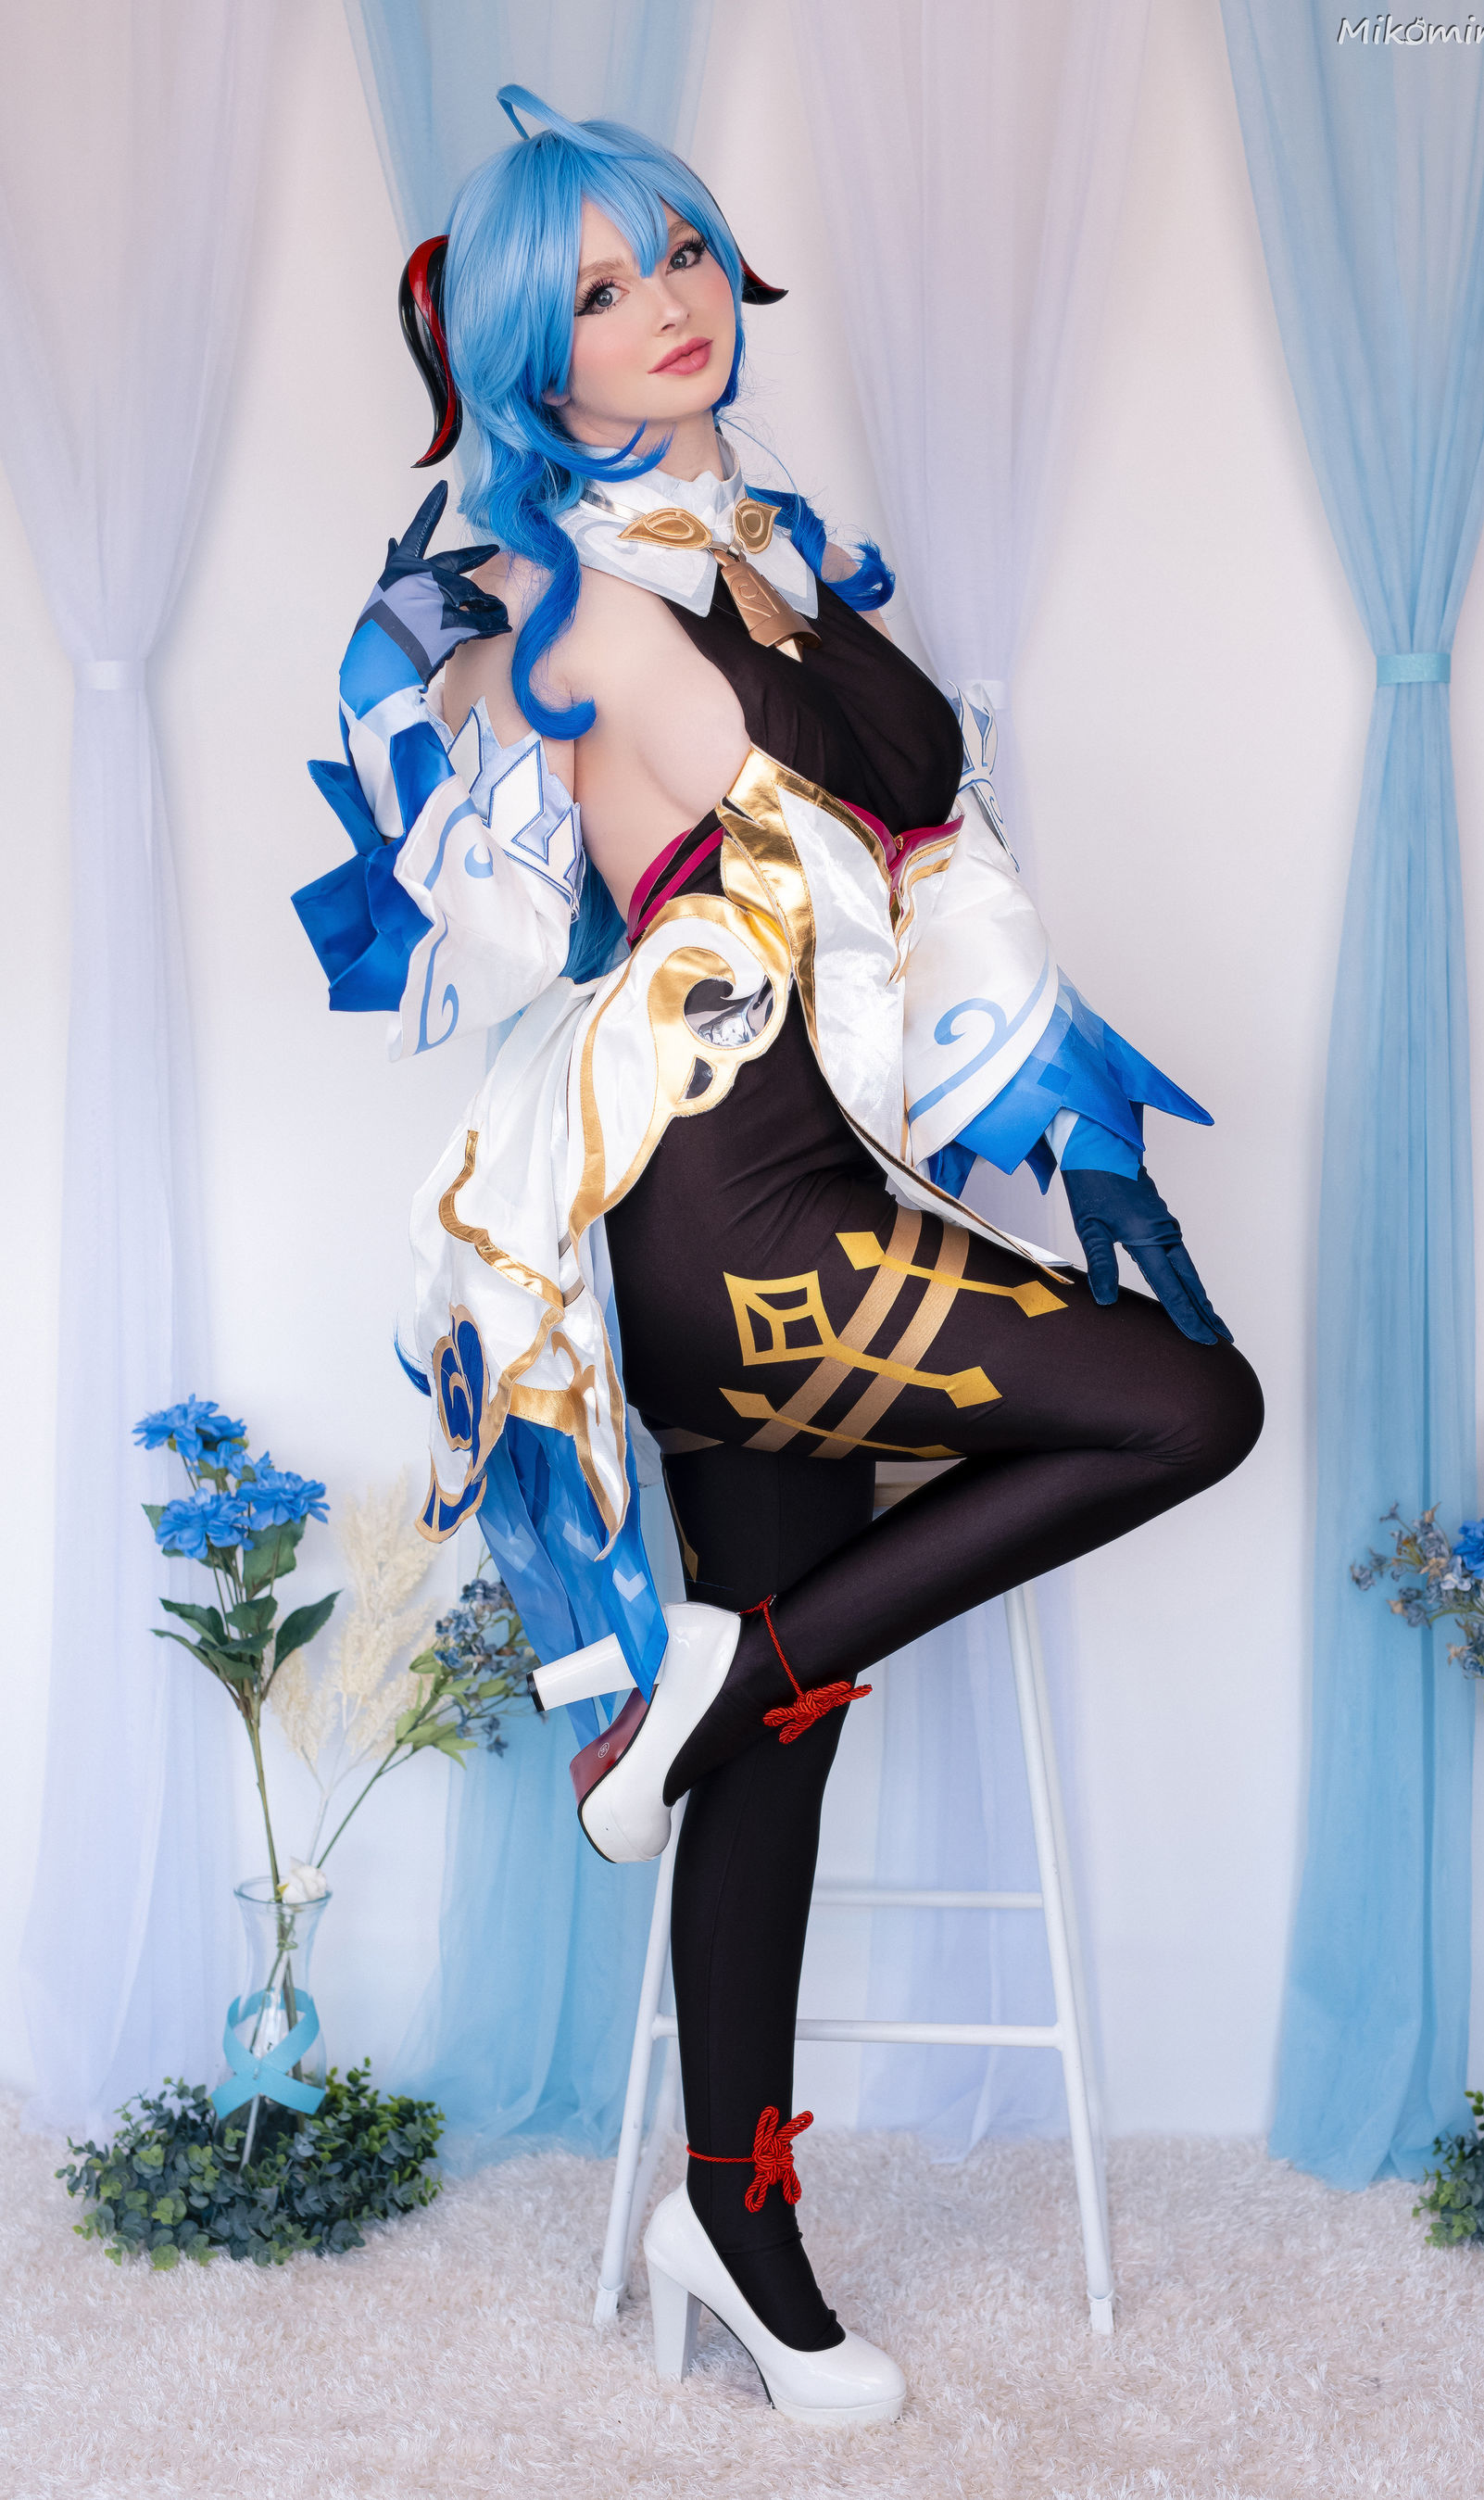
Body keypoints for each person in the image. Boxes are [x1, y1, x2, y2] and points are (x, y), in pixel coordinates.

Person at [295, 87, 1262, 2429]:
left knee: (781, 1735)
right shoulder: (584, 601)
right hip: (733, 1215)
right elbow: (502, 770)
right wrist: (503, 600)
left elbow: (912, 812)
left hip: (822, 1190)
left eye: (684, 254)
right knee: (1190, 1402)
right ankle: (730, 1677)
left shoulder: (773, 561)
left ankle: (730, 2216)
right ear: (527, 355)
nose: (669, 305)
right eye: (600, 289)